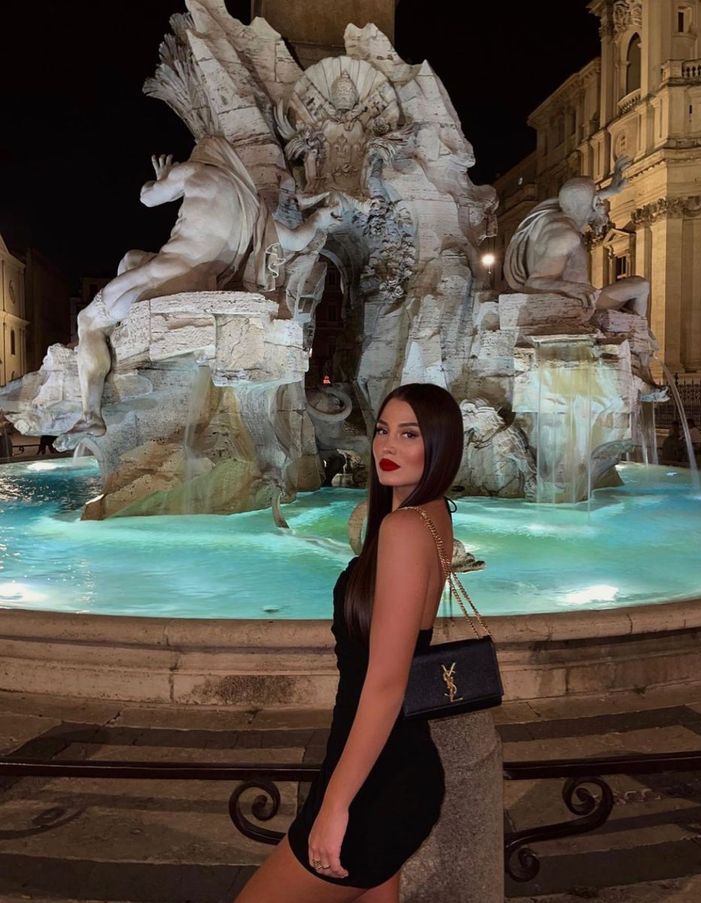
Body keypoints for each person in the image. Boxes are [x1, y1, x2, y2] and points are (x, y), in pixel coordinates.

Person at [234, 383, 464, 903]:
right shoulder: (434, 516)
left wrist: (335, 806)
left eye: (410, 435)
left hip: (374, 782)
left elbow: (384, 684)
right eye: (383, 431)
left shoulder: (406, 529)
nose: (388, 446)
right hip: (390, 766)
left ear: (442, 446)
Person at [61, 137, 340, 442]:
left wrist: (164, 177)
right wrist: (318, 219)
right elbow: (298, 241)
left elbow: (148, 198)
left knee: (88, 321)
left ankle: (91, 414)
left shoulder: (195, 171)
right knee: (131, 259)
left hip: (167, 275)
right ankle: (124, 330)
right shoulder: (255, 209)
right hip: (200, 283)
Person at [503, 156, 649, 317]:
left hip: (580, 296)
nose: (603, 206)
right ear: (593, 203)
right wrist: (572, 288)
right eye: (599, 202)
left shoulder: (551, 217)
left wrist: (610, 190)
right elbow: (534, 282)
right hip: (579, 301)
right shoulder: (566, 237)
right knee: (641, 285)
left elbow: (577, 200)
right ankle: (639, 334)